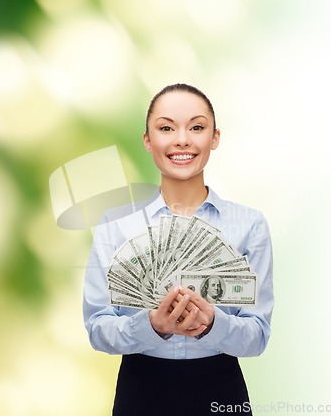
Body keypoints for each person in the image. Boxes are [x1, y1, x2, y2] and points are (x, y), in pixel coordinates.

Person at [83, 83, 274, 416]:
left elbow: (257, 336)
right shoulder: (116, 225)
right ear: (147, 140)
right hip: (141, 388)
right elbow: (98, 329)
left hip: (220, 387)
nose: (182, 139)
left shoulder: (249, 224)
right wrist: (153, 325)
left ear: (214, 138)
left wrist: (214, 322)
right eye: (166, 127)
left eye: (197, 127)